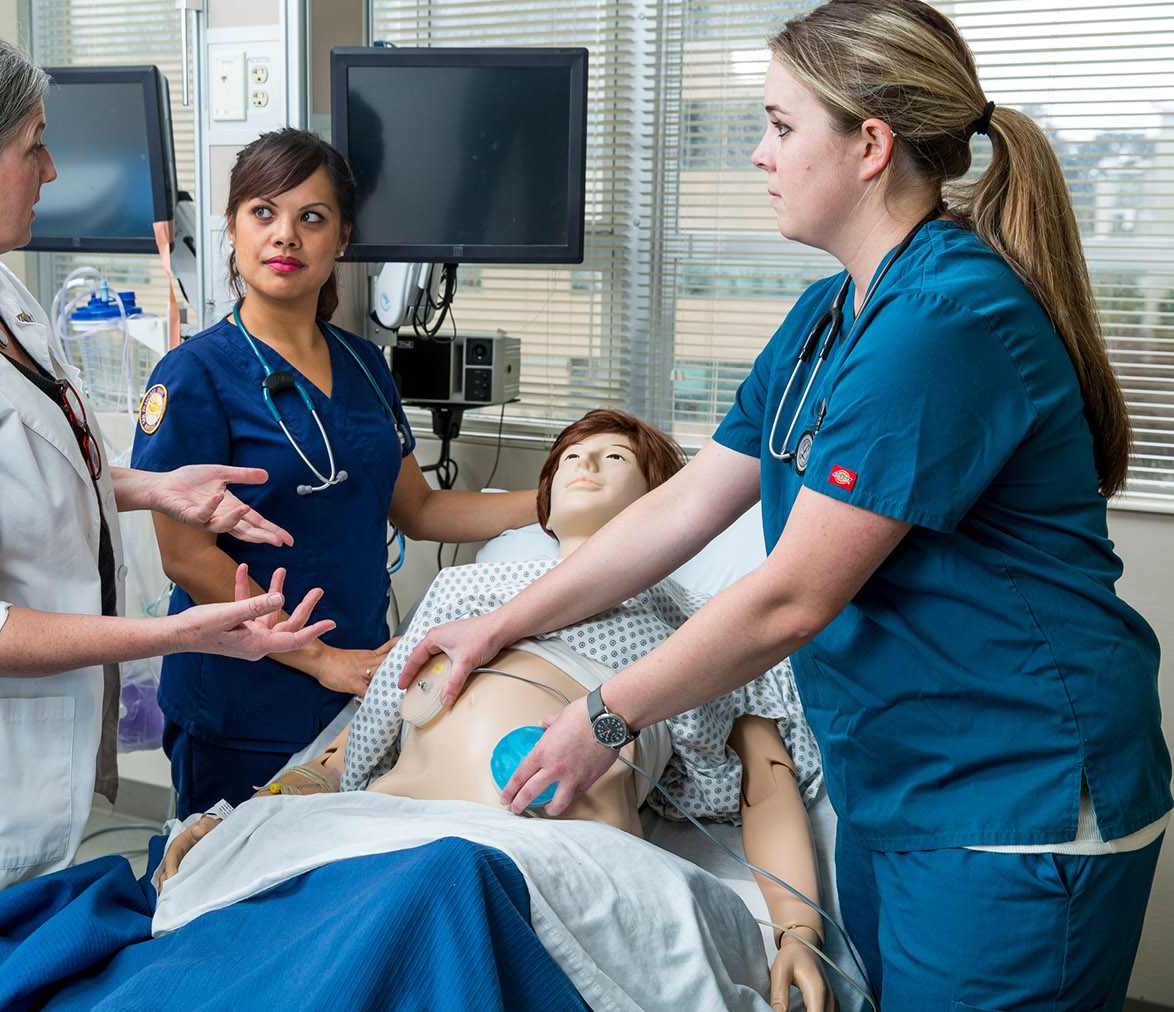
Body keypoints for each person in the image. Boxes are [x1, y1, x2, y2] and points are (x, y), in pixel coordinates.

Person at [400, 3, 1173, 1010]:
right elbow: (680, 512)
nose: (759, 155)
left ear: (870, 145)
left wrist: (605, 717)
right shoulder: (828, 316)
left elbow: (790, 598)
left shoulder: (945, 320)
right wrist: (496, 622)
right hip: (905, 786)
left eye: (778, 125)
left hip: (1014, 794)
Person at [0, 21, 332, 998]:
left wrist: (156, 486)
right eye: (32, 144)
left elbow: (22, 470)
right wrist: (177, 633)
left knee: (13, 938)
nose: (49, 167)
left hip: (17, 722)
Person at [164, 410, 833, 1012]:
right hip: (373, 833)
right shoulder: (462, 592)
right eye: (570, 457)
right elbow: (348, 754)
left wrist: (798, 931)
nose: (585, 464)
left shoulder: (705, 629)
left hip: (534, 861)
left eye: (614, 458)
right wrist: (259, 807)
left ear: (668, 503)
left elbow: (767, 786)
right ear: (542, 508)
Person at [130, 127, 537, 819]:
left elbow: (418, 510)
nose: (285, 236)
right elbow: (185, 557)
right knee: (224, 892)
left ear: (342, 238)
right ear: (232, 228)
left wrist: (551, 501)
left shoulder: (364, 365)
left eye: (310, 218)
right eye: (263, 213)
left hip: (362, 678)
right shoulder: (194, 375)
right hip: (244, 696)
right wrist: (321, 660)